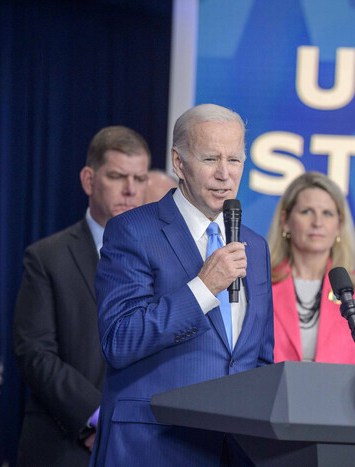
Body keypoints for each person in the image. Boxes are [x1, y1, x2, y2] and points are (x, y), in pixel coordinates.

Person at [90, 104, 273, 465]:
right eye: (210, 159)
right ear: (179, 162)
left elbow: (258, 359)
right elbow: (119, 341)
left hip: (233, 451)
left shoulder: (256, 244)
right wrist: (203, 288)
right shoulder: (133, 231)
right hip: (153, 445)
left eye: (234, 160)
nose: (225, 174)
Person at [12, 126, 151, 466]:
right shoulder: (47, 257)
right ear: (89, 180)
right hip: (64, 447)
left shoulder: (164, 260)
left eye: (140, 178)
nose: (131, 190)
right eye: (118, 176)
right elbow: (35, 353)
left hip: (141, 447)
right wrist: (98, 416)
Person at [267, 171, 355, 364]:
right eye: (306, 211)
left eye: (327, 213)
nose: (317, 222)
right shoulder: (260, 285)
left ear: (339, 226)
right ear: (285, 221)